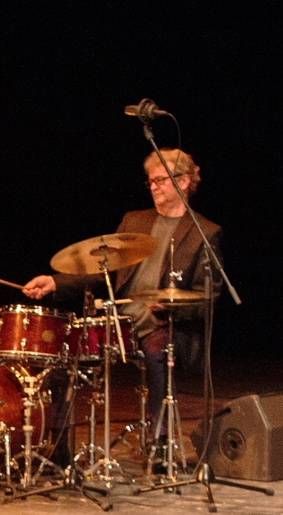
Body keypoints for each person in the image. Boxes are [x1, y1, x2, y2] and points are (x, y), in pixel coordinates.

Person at [21, 148, 222, 459]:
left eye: (160, 181)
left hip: (164, 324)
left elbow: (207, 296)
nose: (153, 186)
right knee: (62, 357)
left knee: (158, 354)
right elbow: (103, 272)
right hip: (118, 321)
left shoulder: (204, 232)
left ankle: (161, 445)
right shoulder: (135, 220)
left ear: (183, 182)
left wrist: (171, 307)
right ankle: (58, 448)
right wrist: (55, 282)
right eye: (150, 181)